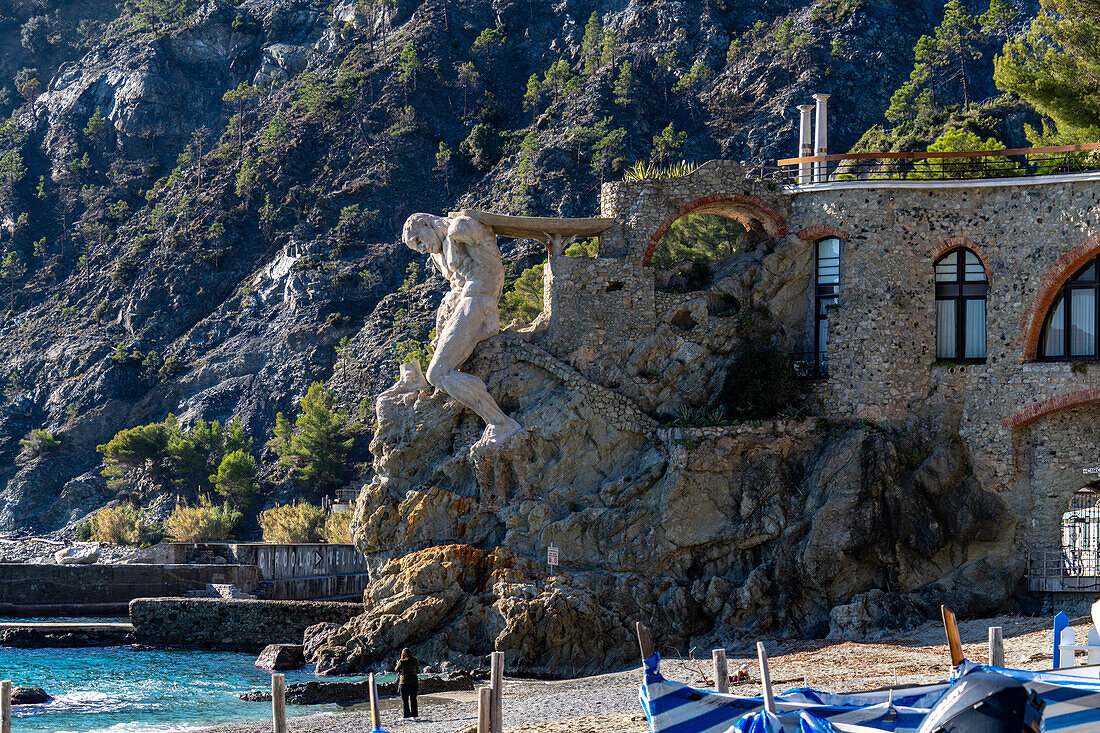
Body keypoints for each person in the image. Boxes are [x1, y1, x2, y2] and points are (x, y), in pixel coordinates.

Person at [395, 647, 420, 719]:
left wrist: (398, 664)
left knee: (405, 699)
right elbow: (418, 671)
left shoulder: (401, 661)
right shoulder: (415, 661)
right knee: (413, 699)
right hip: (414, 681)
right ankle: (414, 715)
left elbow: (396, 669)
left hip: (404, 682)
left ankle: (406, 716)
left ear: (403, 654)